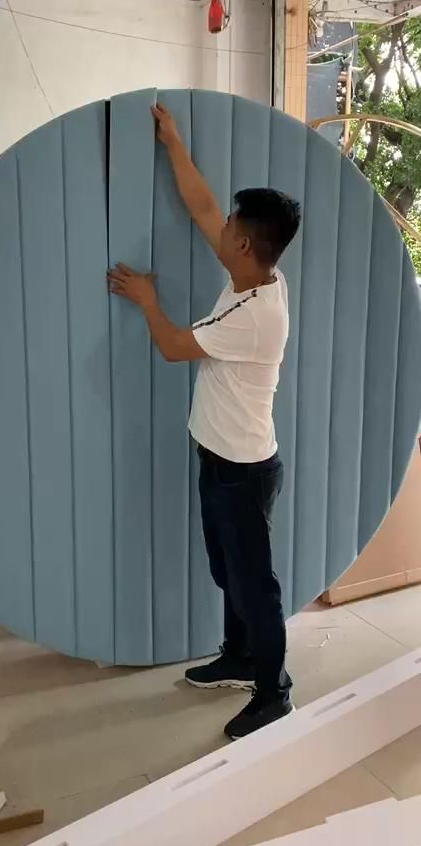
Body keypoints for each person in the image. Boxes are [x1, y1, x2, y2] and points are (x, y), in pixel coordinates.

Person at [108, 103, 301, 740]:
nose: (219, 230)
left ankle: (273, 690)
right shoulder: (251, 275)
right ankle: (240, 656)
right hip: (221, 458)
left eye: (231, 228)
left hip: (241, 471)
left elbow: (172, 346)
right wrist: (173, 141)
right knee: (229, 572)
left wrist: (147, 300)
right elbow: (202, 204)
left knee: (253, 583)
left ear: (243, 244)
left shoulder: (254, 314)